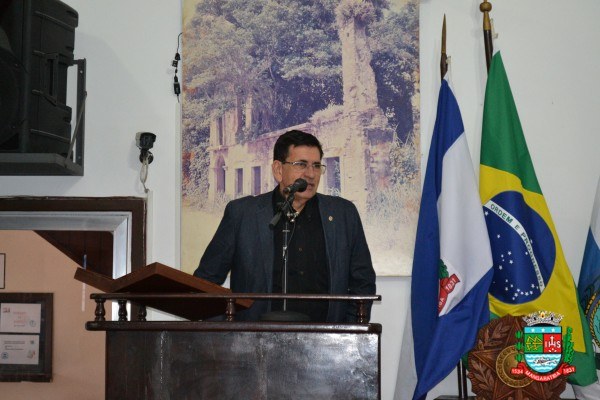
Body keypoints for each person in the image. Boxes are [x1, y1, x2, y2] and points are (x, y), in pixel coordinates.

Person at [194, 129, 376, 322]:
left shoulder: (343, 214)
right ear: (278, 170)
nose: (311, 174)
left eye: (316, 165)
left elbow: (362, 283)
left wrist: (347, 333)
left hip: (325, 337)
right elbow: (205, 282)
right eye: (301, 165)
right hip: (256, 338)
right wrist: (228, 332)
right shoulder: (242, 215)